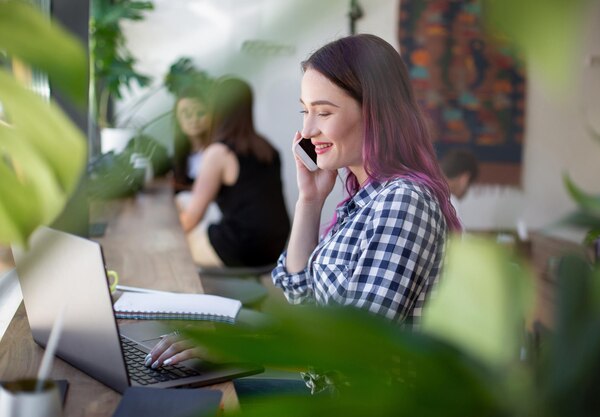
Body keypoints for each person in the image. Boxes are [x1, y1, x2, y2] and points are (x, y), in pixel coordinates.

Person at [146, 34, 459, 369]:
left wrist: (235, 348)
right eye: (304, 110)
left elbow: (355, 346)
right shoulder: (363, 197)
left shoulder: (402, 203)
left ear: (376, 114)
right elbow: (299, 295)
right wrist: (310, 200)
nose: (307, 130)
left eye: (323, 112)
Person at [178, 76, 291, 268]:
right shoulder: (267, 148)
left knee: (176, 245)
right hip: (276, 246)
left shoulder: (218, 153)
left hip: (241, 247)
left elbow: (191, 219)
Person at [172, 85, 212, 193]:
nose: (194, 119)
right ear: (177, 121)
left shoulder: (222, 150)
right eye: (187, 114)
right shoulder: (176, 161)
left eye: (200, 113)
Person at [439, 148, 479, 225]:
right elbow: (458, 236)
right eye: (469, 185)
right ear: (465, 179)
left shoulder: (428, 192)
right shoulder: (451, 205)